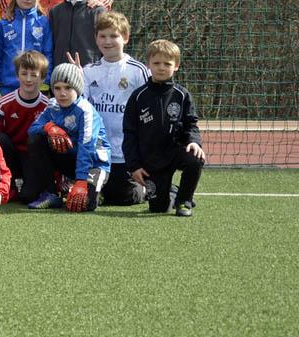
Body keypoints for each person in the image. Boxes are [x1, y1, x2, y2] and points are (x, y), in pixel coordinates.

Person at [122, 39, 204, 217]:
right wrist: (134, 166)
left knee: (195, 159)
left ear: (176, 66)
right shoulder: (138, 97)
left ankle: (184, 201)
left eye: (167, 63)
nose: (161, 67)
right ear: (148, 65)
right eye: (156, 63)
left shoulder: (182, 95)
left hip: (176, 152)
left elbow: (191, 123)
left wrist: (194, 142)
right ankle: (171, 193)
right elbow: (129, 134)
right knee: (158, 208)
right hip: (151, 160)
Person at [82, 12, 150, 206]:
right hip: (98, 153)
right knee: (89, 198)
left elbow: (146, 113)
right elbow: (83, 108)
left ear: (126, 38)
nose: (108, 41)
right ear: (96, 39)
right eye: (102, 36)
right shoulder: (88, 71)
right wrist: (75, 79)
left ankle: (147, 186)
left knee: (128, 198)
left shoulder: (138, 71)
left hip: (126, 154)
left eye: (114, 36)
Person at [25, 63, 111, 212]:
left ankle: (94, 190)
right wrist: (49, 127)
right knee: (36, 140)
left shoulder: (85, 111)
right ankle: (51, 193)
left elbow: (87, 148)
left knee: (85, 205)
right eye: (57, 88)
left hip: (94, 164)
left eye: (68, 88)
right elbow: (32, 130)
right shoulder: (52, 106)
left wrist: (81, 181)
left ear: (77, 88)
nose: (62, 93)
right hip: (71, 158)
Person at [0, 51, 52, 194]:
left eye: (34, 75)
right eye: (24, 74)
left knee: (28, 196)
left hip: (33, 159)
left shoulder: (49, 106)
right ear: (17, 75)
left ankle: (41, 185)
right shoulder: (4, 103)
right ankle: (9, 183)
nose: (28, 79)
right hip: (9, 158)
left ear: (43, 78)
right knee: (0, 139)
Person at [0, 0, 53, 101]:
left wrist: (46, 81)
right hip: (7, 86)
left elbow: (48, 54)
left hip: (36, 87)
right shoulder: (5, 23)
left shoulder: (44, 23)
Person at [48, 0, 105, 67]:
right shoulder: (55, 12)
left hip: (89, 69)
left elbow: (104, 41)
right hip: (61, 68)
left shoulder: (97, 11)